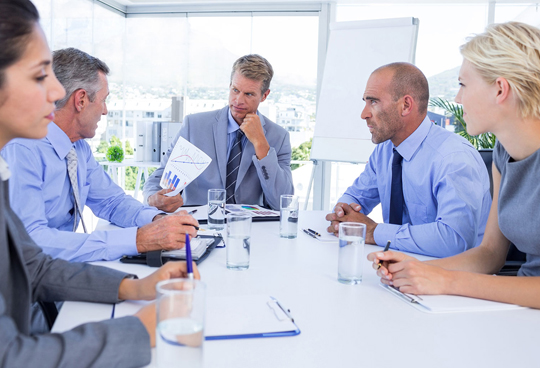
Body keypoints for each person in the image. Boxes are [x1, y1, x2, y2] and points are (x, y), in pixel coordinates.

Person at [0, 0, 201, 366]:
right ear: (82, 100)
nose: (53, 93)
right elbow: (12, 356)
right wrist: (137, 330)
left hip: (51, 289)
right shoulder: (21, 152)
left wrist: (134, 282)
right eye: (39, 76)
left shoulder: (73, 149)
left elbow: (35, 262)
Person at [369, 22, 540, 309]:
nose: (457, 99)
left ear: (500, 89)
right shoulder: (504, 153)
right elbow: (489, 254)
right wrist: (420, 269)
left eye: (463, 84)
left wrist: (446, 280)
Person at [2, 47, 198, 262]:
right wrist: (139, 239)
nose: (105, 111)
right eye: (103, 100)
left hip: (58, 268)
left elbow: (112, 202)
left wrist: (158, 220)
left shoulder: (78, 149)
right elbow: (31, 240)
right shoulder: (21, 149)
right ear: (81, 100)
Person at [326, 62, 492, 258]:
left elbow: (454, 240)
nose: (364, 114)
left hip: (452, 277)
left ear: (405, 105)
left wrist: (374, 231)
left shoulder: (453, 158)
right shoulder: (385, 151)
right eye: (365, 102)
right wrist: (342, 214)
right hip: (401, 268)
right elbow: (356, 197)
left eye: (374, 102)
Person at [143, 54, 294, 212]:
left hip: (249, 225)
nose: (238, 100)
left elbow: (281, 201)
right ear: (230, 86)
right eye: (235, 90)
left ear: (264, 95)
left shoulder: (279, 137)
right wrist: (153, 198)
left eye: (249, 94)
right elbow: (159, 179)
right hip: (199, 224)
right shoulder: (194, 126)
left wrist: (261, 144)